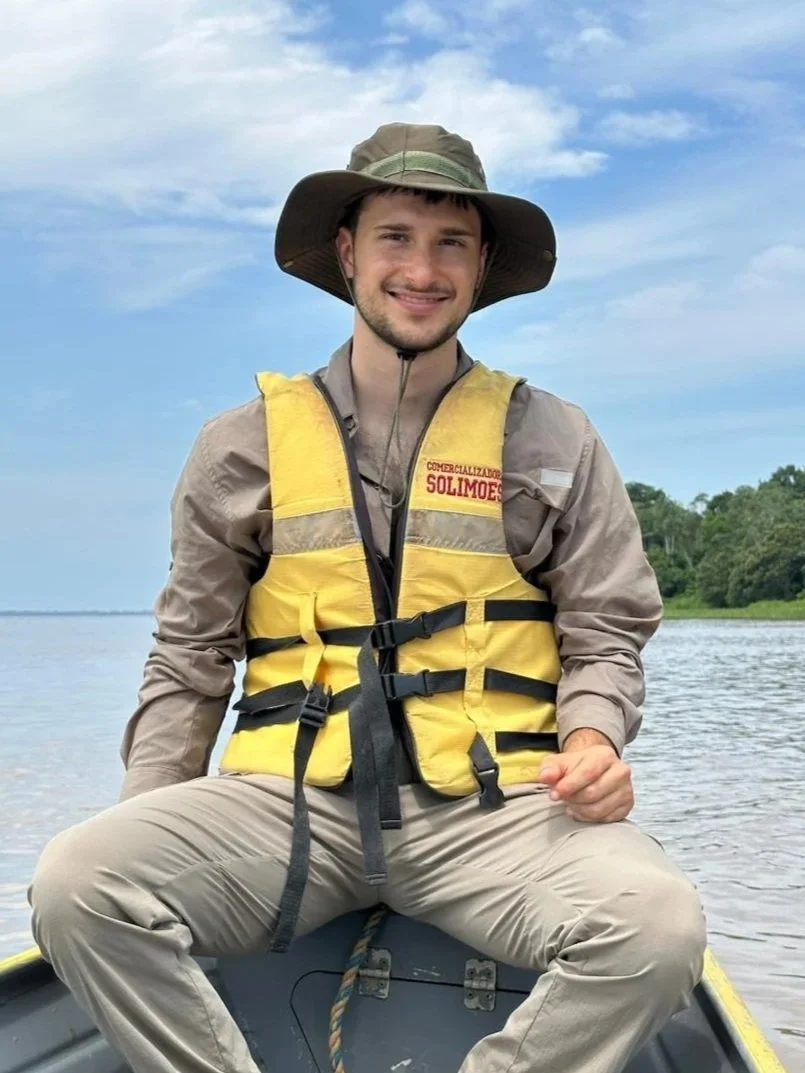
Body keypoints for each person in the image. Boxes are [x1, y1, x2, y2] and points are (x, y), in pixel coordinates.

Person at [29, 122, 707, 1073]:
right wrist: (144, 816)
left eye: (450, 244)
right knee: (78, 882)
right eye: (395, 236)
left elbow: (606, 629)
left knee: (657, 927)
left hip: (493, 805)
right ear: (347, 253)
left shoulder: (553, 436)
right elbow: (190, 656)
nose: (420, 269)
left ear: (479, 269)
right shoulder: (240, 446)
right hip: (289, 803)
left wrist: (591, 741)